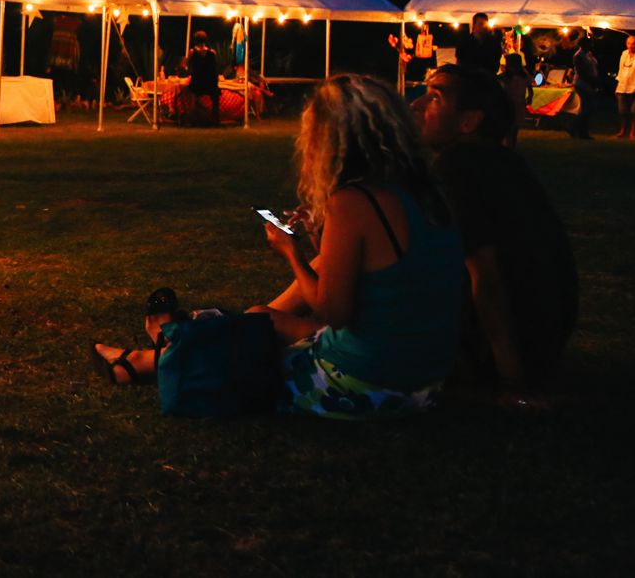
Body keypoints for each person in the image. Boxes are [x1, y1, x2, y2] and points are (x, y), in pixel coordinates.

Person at [94, 76, 467, 420]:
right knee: (260, 318)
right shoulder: (426, 192)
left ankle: (148, 357)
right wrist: (321, 232)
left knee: (244, 350)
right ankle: (169, 344)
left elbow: (332, 311)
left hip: (367, 385)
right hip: (427, 379)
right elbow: (371, 276)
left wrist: (290, 251)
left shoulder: (354, 201)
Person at [413, 64, 578, 399]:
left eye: (434, 99)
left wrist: (511, 379)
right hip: (544, 336)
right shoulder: (505, 162)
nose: (416, 105)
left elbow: (486, 275)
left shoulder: (456, 168)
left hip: (504, 348)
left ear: (468, 121)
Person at [183, 29, 220, 125]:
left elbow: (186, 65)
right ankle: (215, 118)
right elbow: (215, 69)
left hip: (197, 83)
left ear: (195, 40)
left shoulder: (192, 52)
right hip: (210, 84)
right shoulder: (212, 53)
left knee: (191, 95)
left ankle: (191, 119)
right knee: (215, 97)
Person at [498, 51, 531, 147]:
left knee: (514, 127)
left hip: (518, 103)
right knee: (509, 126)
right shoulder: (505, 77)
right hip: (509, 103)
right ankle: (508, 145)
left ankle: (511, 145)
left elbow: (530, 87)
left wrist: (530, 96)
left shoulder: (522, 76)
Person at [568, 34, 598, 140]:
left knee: (587, 108)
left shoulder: (588, 54)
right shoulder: (578, 55)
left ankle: (582, 131)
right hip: (582, 83)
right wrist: (591, 81)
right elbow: (581, 72)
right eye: (590, 43)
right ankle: (574, 127)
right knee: (587, 108)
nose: (592, 45)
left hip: (588, 82)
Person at [617, 35, 635, 140]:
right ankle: (623, 130)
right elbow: (621, 69)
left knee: (634, 111)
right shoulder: (624, 53)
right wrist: (618, 84)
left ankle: (633, 132)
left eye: (633, 43)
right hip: (622, 86)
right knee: (622, 110)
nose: (631, 46)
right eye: (629, 43)